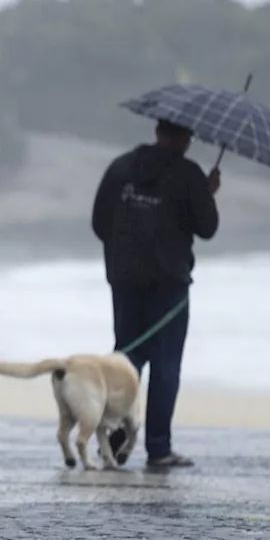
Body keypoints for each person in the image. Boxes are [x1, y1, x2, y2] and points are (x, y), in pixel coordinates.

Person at [91, 119, 219, 468]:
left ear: (158, 131)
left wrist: (125, 253)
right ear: (186, 139)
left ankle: (113, 446)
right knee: (165, 366)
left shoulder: (121, 167)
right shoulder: (188, 175)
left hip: (124, 280)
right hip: (169, 285)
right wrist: (207, 193)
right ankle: (159, 449)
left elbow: (99, 222)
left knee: (127, 360)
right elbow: (207, 228)